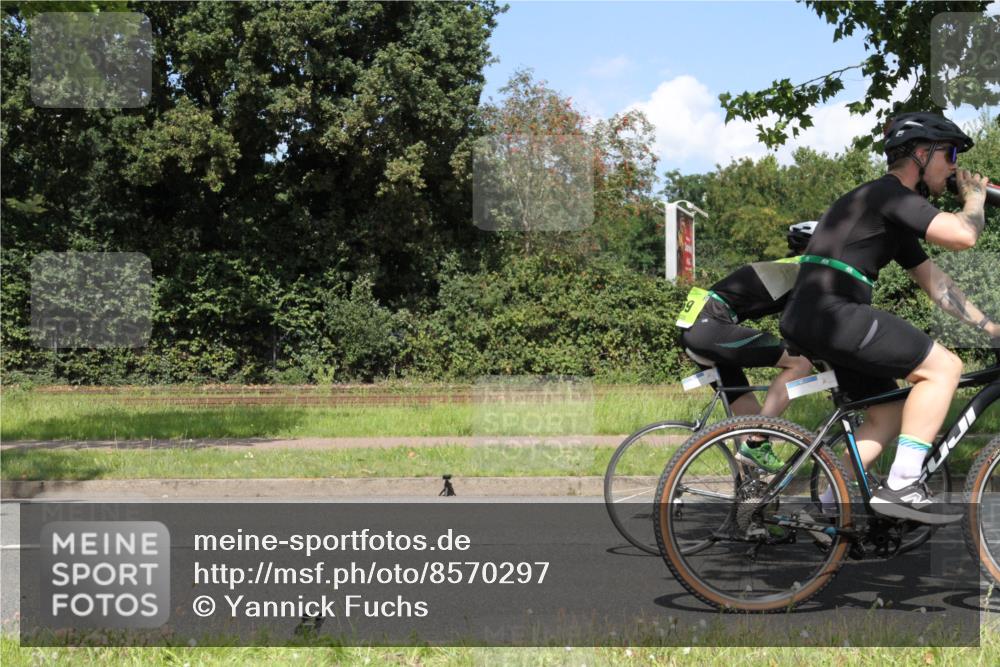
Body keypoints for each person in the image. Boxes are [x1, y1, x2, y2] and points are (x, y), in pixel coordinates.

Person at [779, 112, 997, 523]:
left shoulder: (884, 207)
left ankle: (827, 507)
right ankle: (901, 485)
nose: (953, 165)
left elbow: (937, 285)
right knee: (944, 368)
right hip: (833, 312)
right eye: (948, 154)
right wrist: (975, 198)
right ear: (921, 153)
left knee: (889, 413)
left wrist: (989, 328)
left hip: (814, 314)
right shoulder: (890, 195)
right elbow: (963, 235)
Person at [678, 222, 816, 473]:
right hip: (710, 325)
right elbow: (797, 327)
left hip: (699, 325)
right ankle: (757, 444)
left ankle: (750, 498)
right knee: (800, 362)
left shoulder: (786, 269)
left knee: (751, 422)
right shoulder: (802, 270)